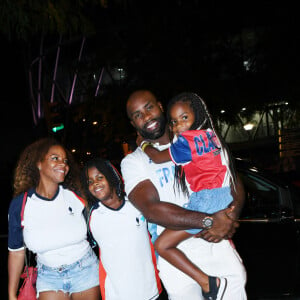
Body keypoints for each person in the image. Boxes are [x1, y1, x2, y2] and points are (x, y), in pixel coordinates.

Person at [121, 90, 247, 300]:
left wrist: (230, 217)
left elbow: (232, 180)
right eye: (137, 115)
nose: (146, 117)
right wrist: (208, 221)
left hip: (214, 242)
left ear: (161, 106)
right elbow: (151, 210)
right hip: (177, 256)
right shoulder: (134, 162)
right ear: (133, 124)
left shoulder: (193, 138)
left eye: (149, 107)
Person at [8, 137, 100, 300]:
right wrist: (11, 294)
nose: (63, 164)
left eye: (65, 160)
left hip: (85, 270)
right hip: (48, 277)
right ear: (38, 163)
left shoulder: (76, 195)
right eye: (55, 158)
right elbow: (16, 253)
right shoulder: (20, 205)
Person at [80, 157, 162, 300]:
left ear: (111, 177)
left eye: (100, 177)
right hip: (116, 293)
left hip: (149, 289)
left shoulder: (136, 204)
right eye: (90, 182)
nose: (95, 184)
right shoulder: (90, 215)